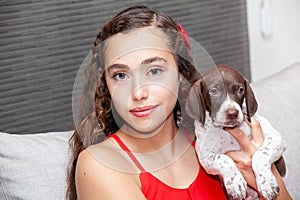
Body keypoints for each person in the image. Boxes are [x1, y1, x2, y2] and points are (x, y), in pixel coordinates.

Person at [66, 5, 291, 200]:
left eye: (154, 71)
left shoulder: (210, 143)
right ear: (105, 84)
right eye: (120, 75)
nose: (138, 92)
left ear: (180, 75)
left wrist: (260, 168)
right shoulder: (101, 165)